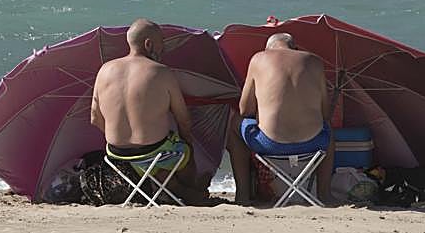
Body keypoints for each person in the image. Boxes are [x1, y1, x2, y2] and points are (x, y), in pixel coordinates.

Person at [90, 18, 210, 204]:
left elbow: (94, 118)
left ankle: (171, 186)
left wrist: (121, 137)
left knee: (164, 148)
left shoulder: (105, 70)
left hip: (116, 154)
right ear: (148, 44)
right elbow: (184, 120)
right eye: (161, 43)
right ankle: (190, 190)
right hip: (154, 153)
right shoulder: (161, 72)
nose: (163, 49)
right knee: (184, 149)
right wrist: (187, 141)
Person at [226, 33, 334, 205]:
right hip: (313, 143)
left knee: (234, 125)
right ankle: (324, 194)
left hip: (270, 144)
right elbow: (325, 114)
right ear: (295, 48)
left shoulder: (259, 59)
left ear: (268, 49)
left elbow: (244, 109)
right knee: (328, 131)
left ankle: (243, 195)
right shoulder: (315, 61)